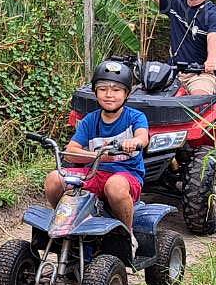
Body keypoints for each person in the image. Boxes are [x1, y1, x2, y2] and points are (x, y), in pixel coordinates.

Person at [44, 58, 149, 233]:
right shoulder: (90, 120)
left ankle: (127, 234)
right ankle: (65, 226)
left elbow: (142, 138)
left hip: (126, 175)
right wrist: (98, 156)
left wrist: (133, 142)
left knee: (114, 186)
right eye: (103, 89)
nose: (109, 95)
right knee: (54, 179)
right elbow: (71, 153)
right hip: (94, 173)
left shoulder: (135, 117)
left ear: (127, 94)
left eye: (116, 90)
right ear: (95, 92)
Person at [107, 0, 216, 94]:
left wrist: (211, 60)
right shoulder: (175, 3)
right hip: (171, 72)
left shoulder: (213, 13)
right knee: (137, 95)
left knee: (198, 100)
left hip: (199, 75)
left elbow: (214, 38)